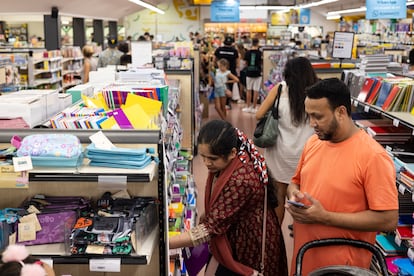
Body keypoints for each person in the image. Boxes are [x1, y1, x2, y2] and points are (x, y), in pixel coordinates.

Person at [286, 78, 399, 275]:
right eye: (309, 116)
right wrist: (294, 195)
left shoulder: (373, 157)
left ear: (341, 112)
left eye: (318, 116)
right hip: (304, 258)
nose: (312, 123)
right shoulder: (313, 143)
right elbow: (294, 183)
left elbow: (388, 220)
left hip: (343, 267)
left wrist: (326, 217)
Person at [169, 119, 288, 276]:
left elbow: (211, 228)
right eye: (203, 157)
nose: (206, 163)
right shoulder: (235, 160)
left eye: (212, 158)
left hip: (249, 244)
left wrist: (166, 242)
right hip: (238, 231)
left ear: (232, 153)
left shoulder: (241, 180)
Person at [256, 57, 318, 224]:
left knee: (278, 201)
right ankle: (302, 241)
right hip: (307, 156)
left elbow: (258, 114)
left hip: (279, 154)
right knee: (302, 201)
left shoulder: (279, 89)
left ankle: (275, 243)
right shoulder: (316, 92)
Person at [214, 35, 239, 110]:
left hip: (220, 72)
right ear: (232, 43)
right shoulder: (234, 51)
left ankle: (220, 103)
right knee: (229, 87)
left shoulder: (219, 49)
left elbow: (214, 60)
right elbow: (237, 62)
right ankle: (227, 103)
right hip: (230, 72)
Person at [242, 38, 263, 114]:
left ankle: (248, 107)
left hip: (249, 72)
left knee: (248, 90)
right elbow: (261, 62)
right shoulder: (260, 53)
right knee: (256, 90)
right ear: (258, 43)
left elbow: (245, 63)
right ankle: (254, 107)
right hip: (257, 73)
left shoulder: (247, 52)